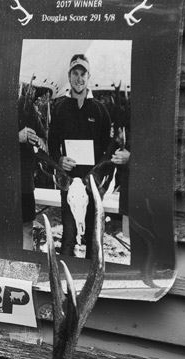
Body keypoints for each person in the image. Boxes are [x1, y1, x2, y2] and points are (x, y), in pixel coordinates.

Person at [47, 54, 112, 256]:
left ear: (88, 76)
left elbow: (108, 150)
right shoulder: (59, 108)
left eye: (83, 73)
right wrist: (59, 160)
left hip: (93, 185)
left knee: (93, 241)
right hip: (69, 184)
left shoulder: (100, 110)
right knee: (68, 238)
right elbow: (52, 144)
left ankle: (90, 283)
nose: (79, 78)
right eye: (75, 73)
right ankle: (66, 284)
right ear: (69, 75)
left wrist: (97, 175)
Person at [18, 80, 51, 223]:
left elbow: (43, 136)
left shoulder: (26, 105)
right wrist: (17, 137)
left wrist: (42, 142)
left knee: (27, 228)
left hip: (25, 182)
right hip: (1, 184)